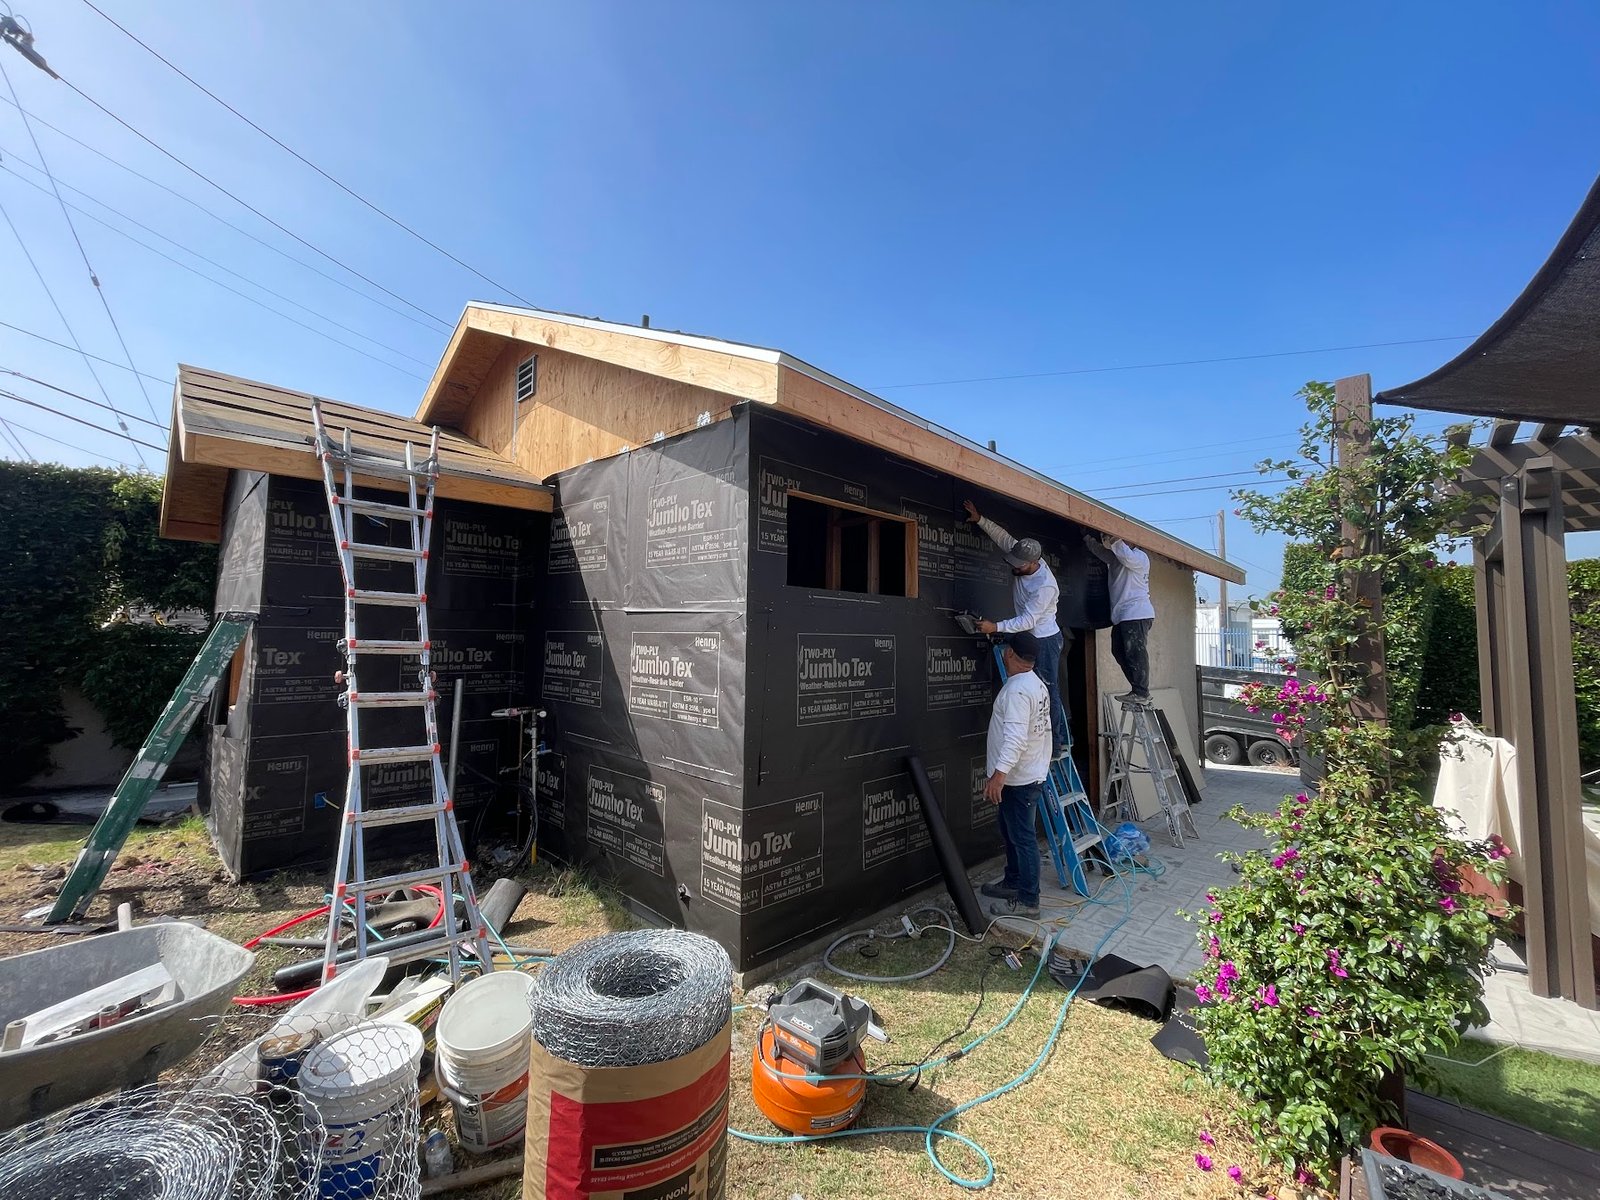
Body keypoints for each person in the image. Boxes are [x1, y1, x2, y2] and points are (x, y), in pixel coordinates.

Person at [962, 500, 1069, 760]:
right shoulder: (1023, 554)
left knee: (1047, 688)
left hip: (1044, 639)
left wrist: (994, 626)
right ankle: (1054, 738)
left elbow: (1027, 621)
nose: (1015, 567)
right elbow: (1004, 538)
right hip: (1030, 635)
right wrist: (980, 519)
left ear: (1033, 563)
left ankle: (1056, 745)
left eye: (1019, 565)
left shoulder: (1045, 586)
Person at [980, 630, 1052, 920]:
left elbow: (1015, 739)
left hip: (1018, 779)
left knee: (1022, 839)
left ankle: (1028, 900)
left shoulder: (1017, 691)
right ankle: (1013, 881)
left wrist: (998, 776)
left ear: (1009, 653)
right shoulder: (1036, 684)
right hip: (1026, 774)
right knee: (1012, 833)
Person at [1084, 531, 1156, 706]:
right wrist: (1087, 538)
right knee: (1118, 650)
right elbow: (1101, 552)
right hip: (1123, 615)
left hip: (1136, 613)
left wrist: (1115, 537)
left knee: (1135, 652)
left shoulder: (1140, 557)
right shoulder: (1117, 557)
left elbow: (1125, 556)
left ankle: (1141, 692)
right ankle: (1137, 689)